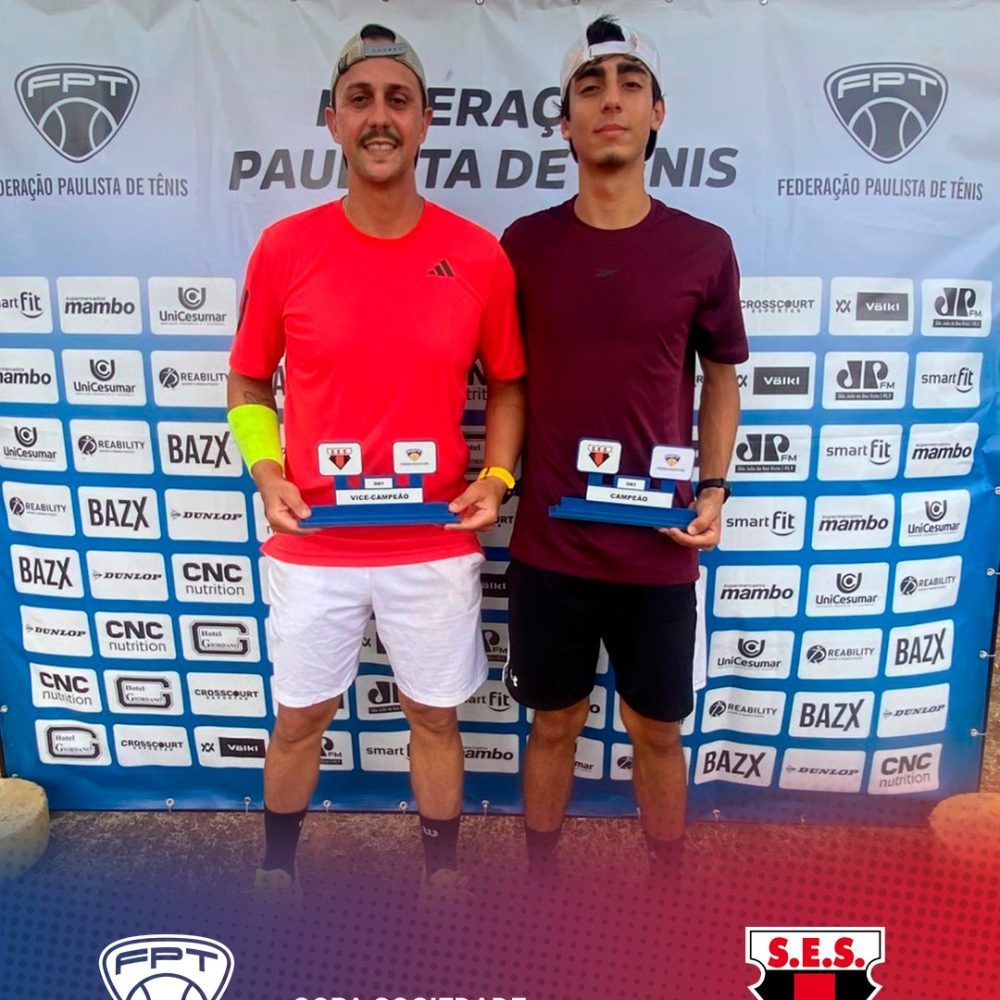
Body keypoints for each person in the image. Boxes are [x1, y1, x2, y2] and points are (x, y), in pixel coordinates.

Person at [226, 23, 526, 897]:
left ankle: (443, 873)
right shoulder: (285, 247)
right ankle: (276, 867)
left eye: (399, 99)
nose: (380, 116)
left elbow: (509, 385)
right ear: (333, 120)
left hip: (430, 541)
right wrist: (267, 471)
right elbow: (248, 380)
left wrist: (497, 477)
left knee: (433, 718)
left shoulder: (478, 255)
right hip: (314, 541)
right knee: (299, 719)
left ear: (426, 120)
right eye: (360, 99)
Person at [500, 15, 748, 882]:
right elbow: (506, 383)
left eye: (629, 86)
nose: (611, 101)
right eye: (590, 87)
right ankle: (539, 888)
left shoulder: (704, 248)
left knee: (657, 731)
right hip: (551, 547)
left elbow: (722, 378)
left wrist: (713, 488)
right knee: (554, 724)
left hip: (658, 547)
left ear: (657, 114)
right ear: (565, 122)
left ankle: (667, 893)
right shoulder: (523, 246)